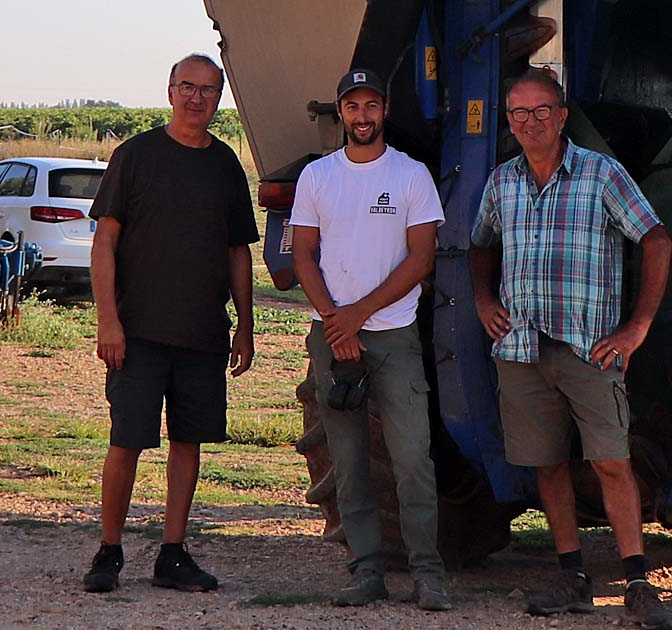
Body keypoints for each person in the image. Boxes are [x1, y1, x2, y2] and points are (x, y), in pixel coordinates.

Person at [469, 70, 672, 629]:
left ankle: (636, 582)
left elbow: (656, 238)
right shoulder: (501, 182)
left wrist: (636, 328)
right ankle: (572, 577)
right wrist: (484, 298)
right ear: (507, 122)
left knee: (611, 461)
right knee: (549, 466)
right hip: (521, 348)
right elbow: (480, 244)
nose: (530, 122)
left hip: (590, 348)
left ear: (562, 116)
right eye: (518, 113)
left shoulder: (601, 173)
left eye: (541, 111)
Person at [82, 53, 258, 593]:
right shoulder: (134, 156)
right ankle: (109, 551)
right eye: (188, 87)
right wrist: (108, 321)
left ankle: (172, 554)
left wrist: (246, 326)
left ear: (220, 95)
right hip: (137, 335)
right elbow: (104, 241)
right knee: (127, 441)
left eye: (208, 90)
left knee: (189, 442)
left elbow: (237, 252)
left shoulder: (226, 164)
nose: (197, 98)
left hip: (203, 335)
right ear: (170, 90)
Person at [289, 68, 451, 611]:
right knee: (349, 463)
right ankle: (365, 572)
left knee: (412, 461)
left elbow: (421, 258)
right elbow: (303, 255)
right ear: (340, 112)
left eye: (371, 105)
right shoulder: (318, 177)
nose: (362, 116)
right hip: (333, 337)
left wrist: (359, 314)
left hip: (394, 334)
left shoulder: (410, 175)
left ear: (385, 110)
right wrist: (335, 321)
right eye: (352, 106)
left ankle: (429, 574)